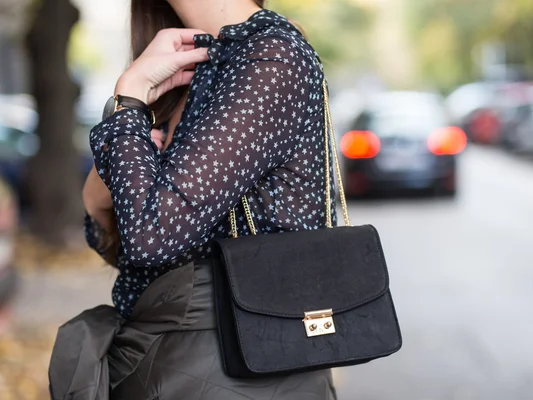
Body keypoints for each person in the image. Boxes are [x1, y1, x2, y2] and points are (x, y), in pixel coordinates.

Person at [48, 0, 338, 399]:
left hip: (238, 376)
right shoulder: (176, 67)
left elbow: (151, 237)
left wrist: (129, 100)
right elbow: (129, 254)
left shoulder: (271, 58)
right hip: (160, 364)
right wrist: (96, 195)